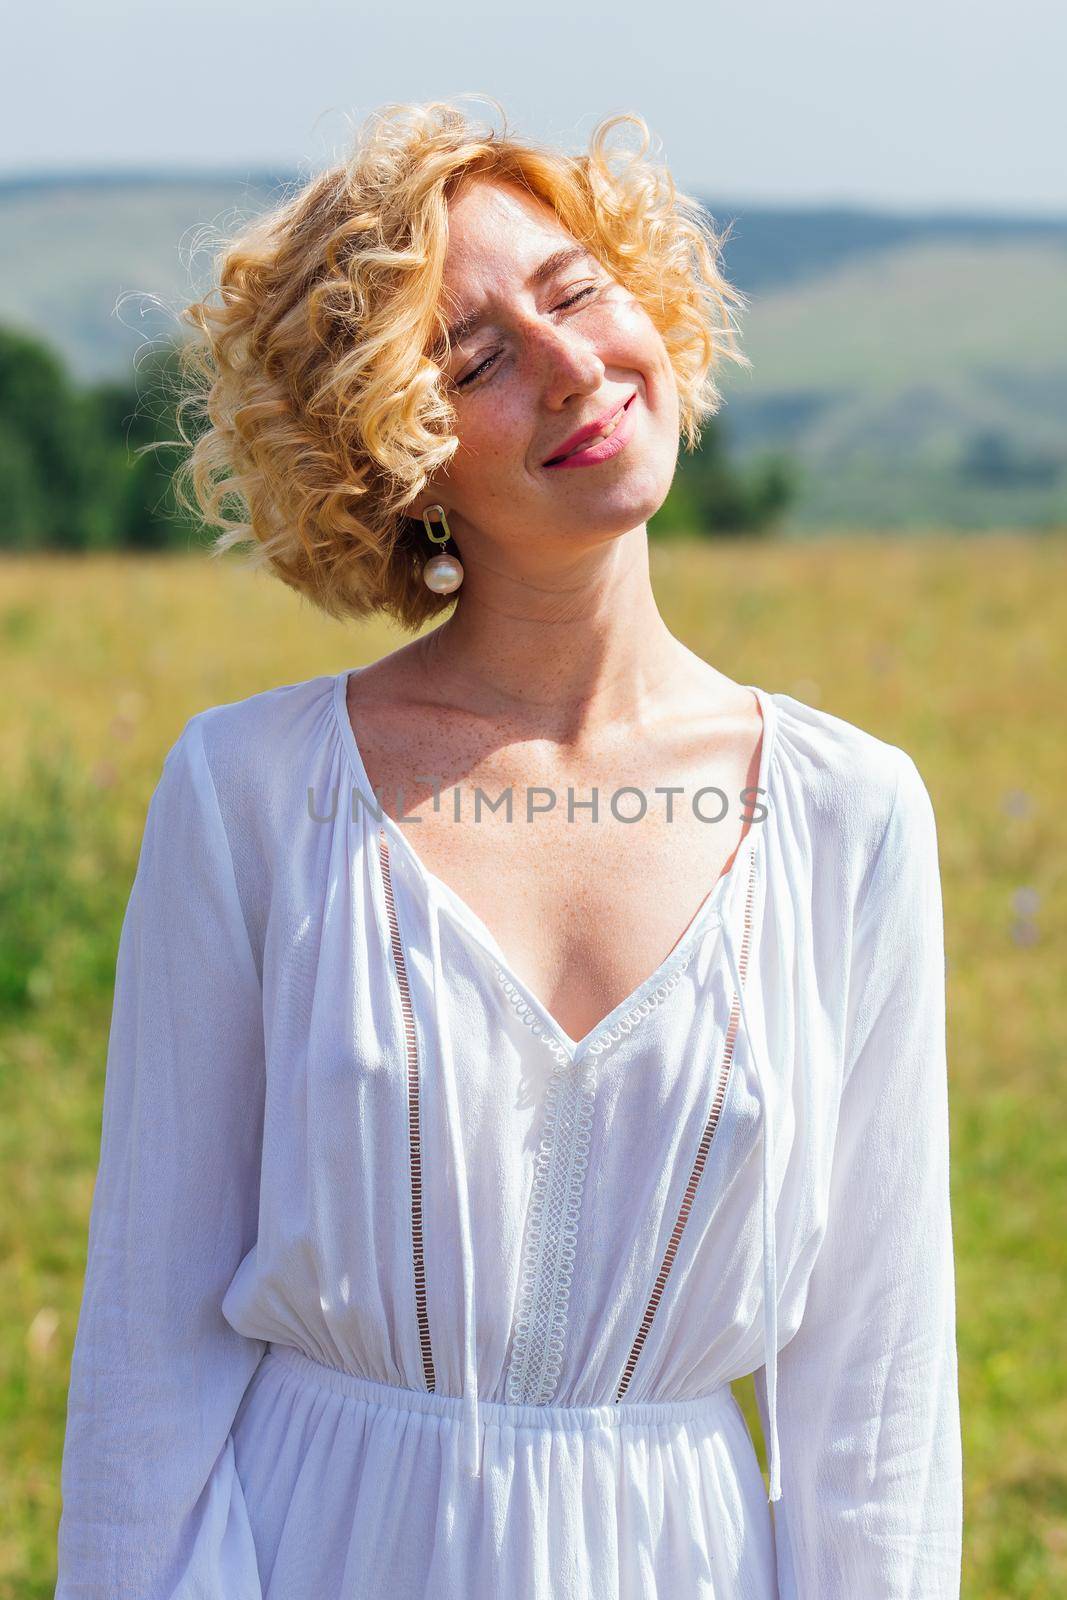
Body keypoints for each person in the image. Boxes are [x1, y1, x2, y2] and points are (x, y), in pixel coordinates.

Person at [54, 97, 963, 1598]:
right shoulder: (250, 793)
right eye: (472, 361)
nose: (569, 369)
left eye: (577, 293)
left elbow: (876, 1402)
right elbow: (149, 1349)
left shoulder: (853, 813)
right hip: (323, 1551)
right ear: (389, 454)